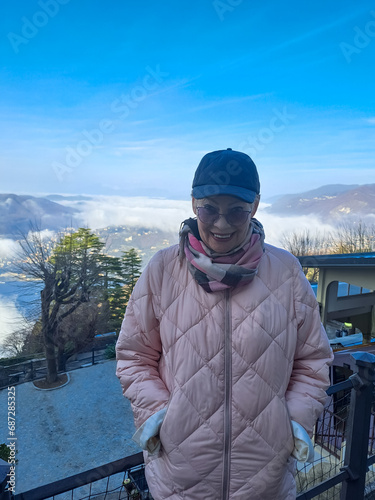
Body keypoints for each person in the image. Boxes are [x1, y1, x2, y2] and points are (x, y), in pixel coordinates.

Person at [116, 148, 333, 500]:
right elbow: (133, 355)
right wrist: (158, 414)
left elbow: (313, 360)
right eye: (209, 209)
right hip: (179, 477)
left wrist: (292, 423)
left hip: (267, 478)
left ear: (256, 207)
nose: (222, 223)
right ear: (193, 204)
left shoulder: (286, 271)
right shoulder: (162, 269)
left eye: (236, 211)